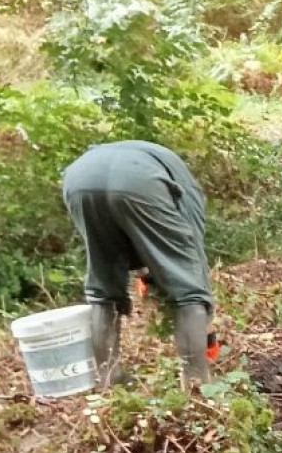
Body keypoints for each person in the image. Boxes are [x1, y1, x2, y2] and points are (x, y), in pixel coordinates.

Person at [62, 141, 214, 387]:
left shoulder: (157, 163)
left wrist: (149, 270)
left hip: (79, 178)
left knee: (103, 289)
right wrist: (194, 292)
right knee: (190, 292)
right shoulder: (189, 190)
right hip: (139, 179)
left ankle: (109, 381)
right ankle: (198, 387)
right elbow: (189, 254)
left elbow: (123, 239)